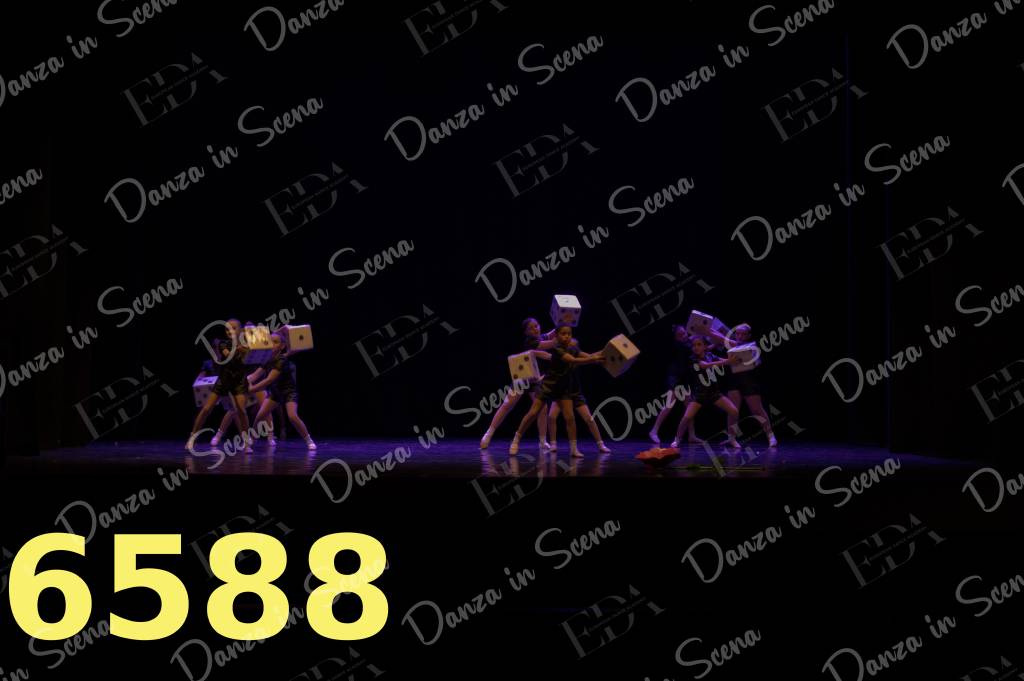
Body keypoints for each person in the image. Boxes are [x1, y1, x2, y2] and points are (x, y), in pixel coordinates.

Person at [509, 325, 606, 458]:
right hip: (549, 385)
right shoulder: (557, 348)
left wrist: (602, 354)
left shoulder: (572, 347)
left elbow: (586, 355)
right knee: (533, 413)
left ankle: (573, 449)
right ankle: (516, 440)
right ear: (557, 336)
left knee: (570, 417)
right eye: (563, 334)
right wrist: (593, 359)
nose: (567, 336)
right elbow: (573, 360)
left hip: (563, 388)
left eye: (569, 334)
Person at [480, 318, 557, 449]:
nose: (535, 329)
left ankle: (542, 441)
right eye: (531, 328)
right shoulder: (530, 342)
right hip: (523, 378)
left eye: (537, 326)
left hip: (536, 379)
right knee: (507, 404)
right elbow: (550, 343)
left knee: (542, 408)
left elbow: (552, 333)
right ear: (526, 332)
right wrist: (560, 339)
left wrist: (563, 323)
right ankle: (488, 434)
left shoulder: (541, 337)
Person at [708, 323, 778, 447]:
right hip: (734, 380)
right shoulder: (732, 346)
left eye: (743, 334)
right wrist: (709, 330)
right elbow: (725, 348)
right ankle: (731, 438)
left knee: (757, 410)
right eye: (738, 334)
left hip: (749, 380)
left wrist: (707, 330)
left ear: (748, 335)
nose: (740, 336)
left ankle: (770, 435)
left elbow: (723, 339)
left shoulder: (751, 345)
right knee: (732, 410)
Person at [188, 319, 252, 452]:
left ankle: (246, 443)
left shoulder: (246, 345)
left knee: (241, 410)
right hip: (224, 380)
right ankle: (192, 438)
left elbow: (256, 353)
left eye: (233, 328)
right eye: (227, 329)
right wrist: (240, 349)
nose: (230, 331)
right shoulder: (223, 343)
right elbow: (227, 355)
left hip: (239, 381)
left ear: (240, 330)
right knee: (206, 409)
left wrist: (250, 337)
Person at [248, 333, 317, 450]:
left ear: (282, 346)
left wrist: (252, 389)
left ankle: (308, 440)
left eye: (275, 342)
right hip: (275, 393)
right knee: (259, 416)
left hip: (288, 392)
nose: (272, 345)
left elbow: (269, 380)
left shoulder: (281, 360)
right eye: (270, 342)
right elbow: (255, 375)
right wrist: (245, 381)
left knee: (292, 416)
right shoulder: (268, 360)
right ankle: (252, 439)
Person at [670, 336, 740, 449]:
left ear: (705, 346)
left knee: (734, 411)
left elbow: (723, 361)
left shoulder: (710, 355)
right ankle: (677, 439)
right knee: (686, 417)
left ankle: (732, 438)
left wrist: (733, 359)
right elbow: (704, 365)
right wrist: (727, 361)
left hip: (714, 393)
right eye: (694, 345)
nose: (696, 347)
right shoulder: (692, 359)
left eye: (699, 344)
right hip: (699, 394)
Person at [648, 324, 702, 445]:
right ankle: (653, 431)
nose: (683, 336)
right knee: (668, 405)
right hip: (674, 378)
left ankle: (692, 435)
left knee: (689, 407)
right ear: (676, 337)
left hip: (684, 379)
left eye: (684, 333)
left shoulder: (688, 344)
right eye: (680, 335)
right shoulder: (680, 346)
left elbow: (698, 349)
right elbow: (695, 349)